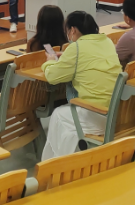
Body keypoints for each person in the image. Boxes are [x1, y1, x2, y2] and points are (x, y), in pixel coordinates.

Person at [41, 11, 120, 160]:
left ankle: (53, 164)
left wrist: (49, 62)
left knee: (58, 115)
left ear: (73, 30)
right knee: (68, 123)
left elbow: (52, 77)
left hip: (97, 114)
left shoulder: (76, 48)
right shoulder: (107, 41)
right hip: (117, 111)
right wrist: (67, 57)